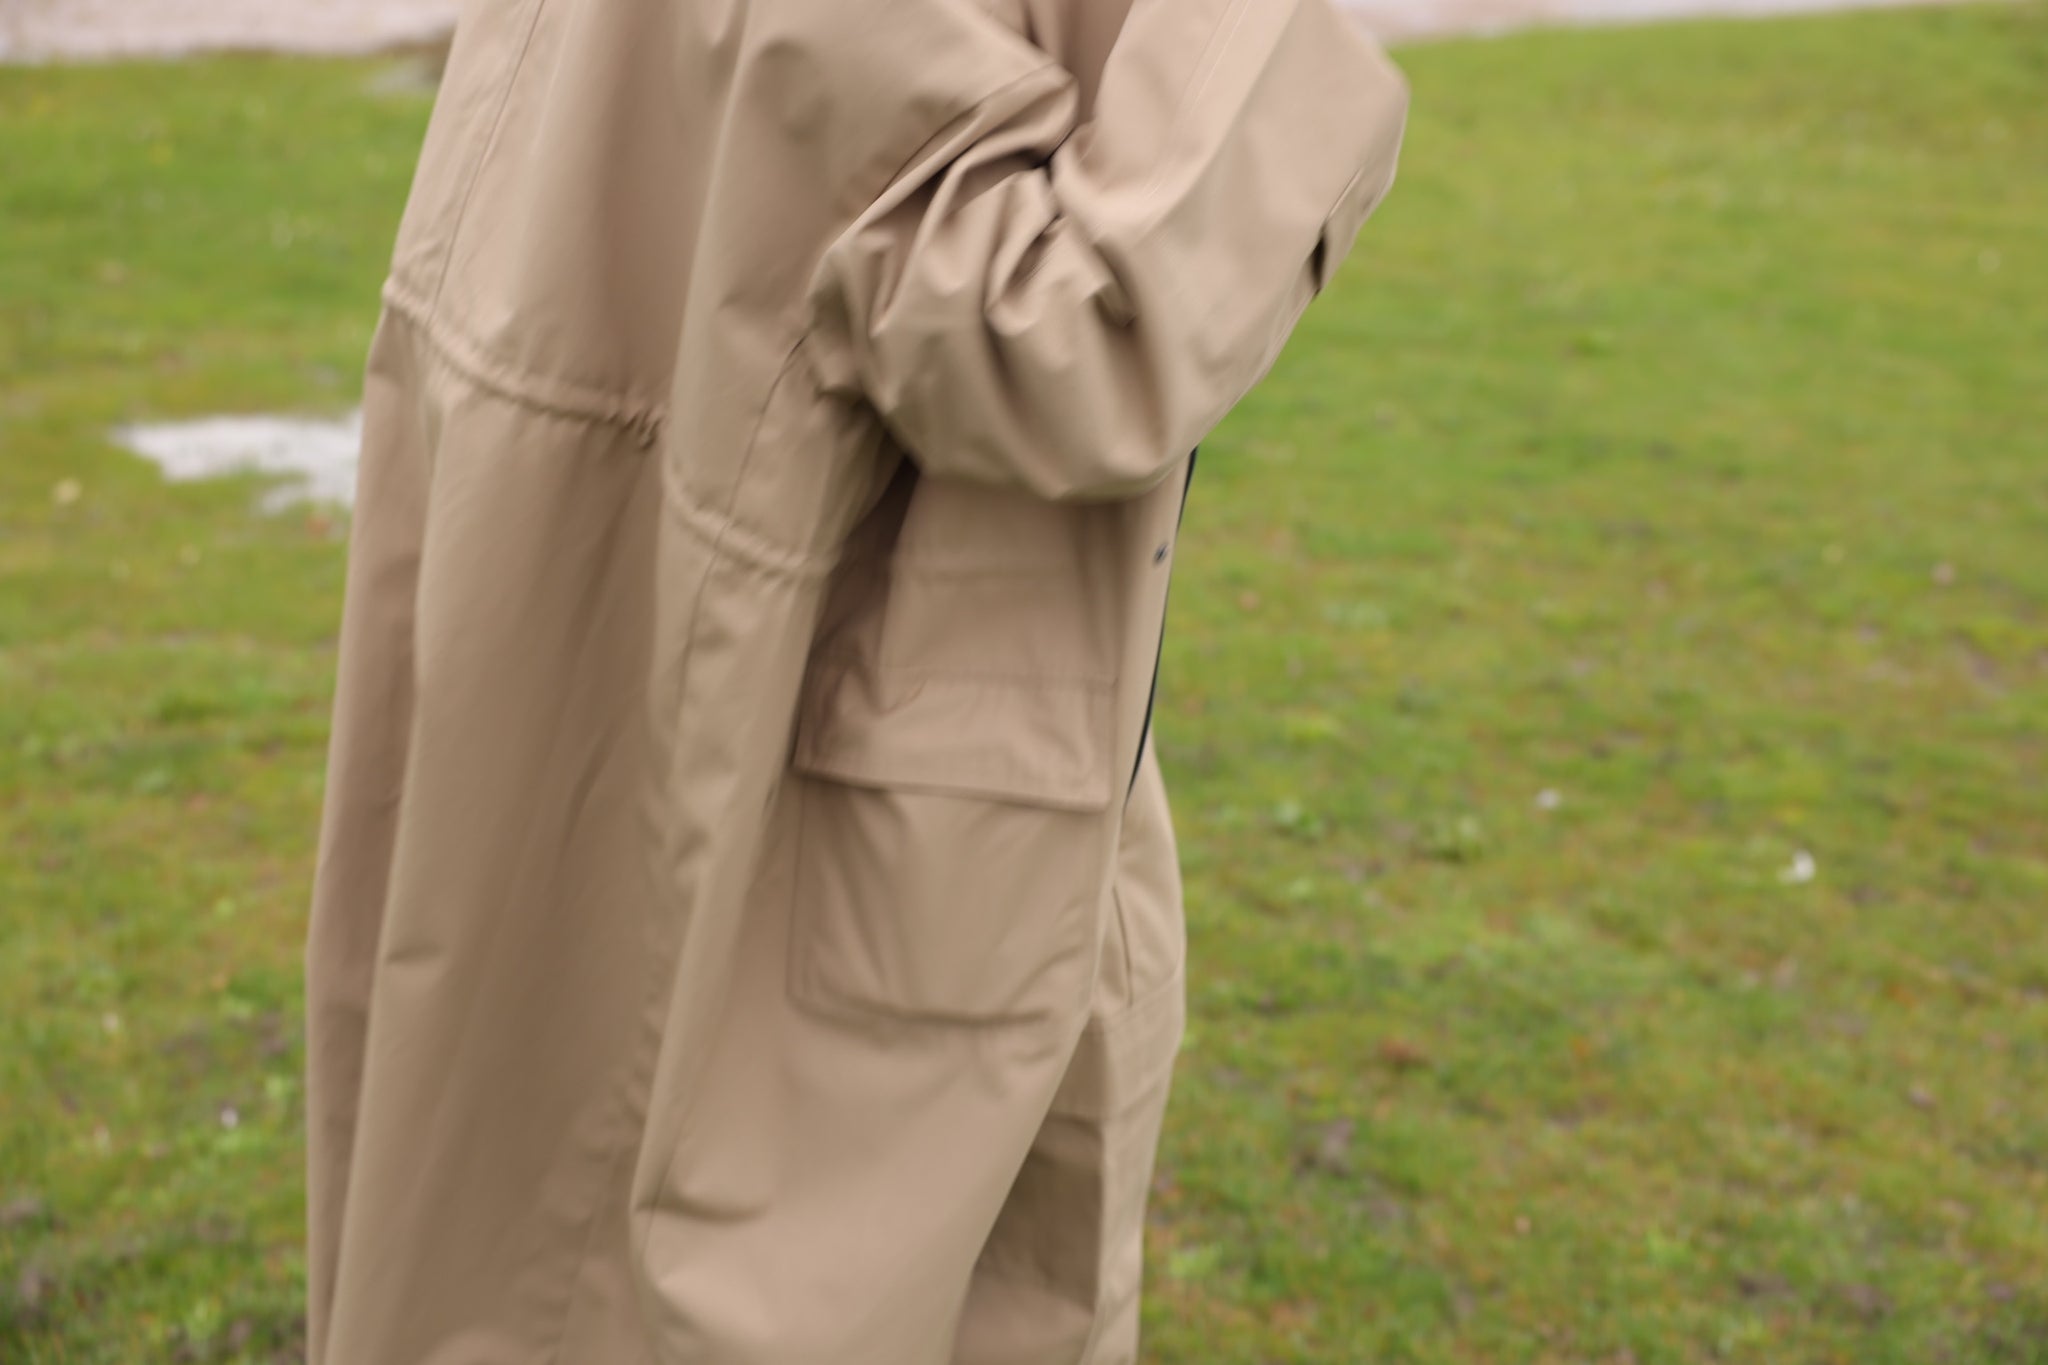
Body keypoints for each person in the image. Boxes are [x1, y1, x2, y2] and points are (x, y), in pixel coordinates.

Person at [303, 0, 1408, 1359]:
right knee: (694, 1251)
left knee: (507, 1172)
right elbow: (1071, 329)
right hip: (802, 715)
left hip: (602, 562)